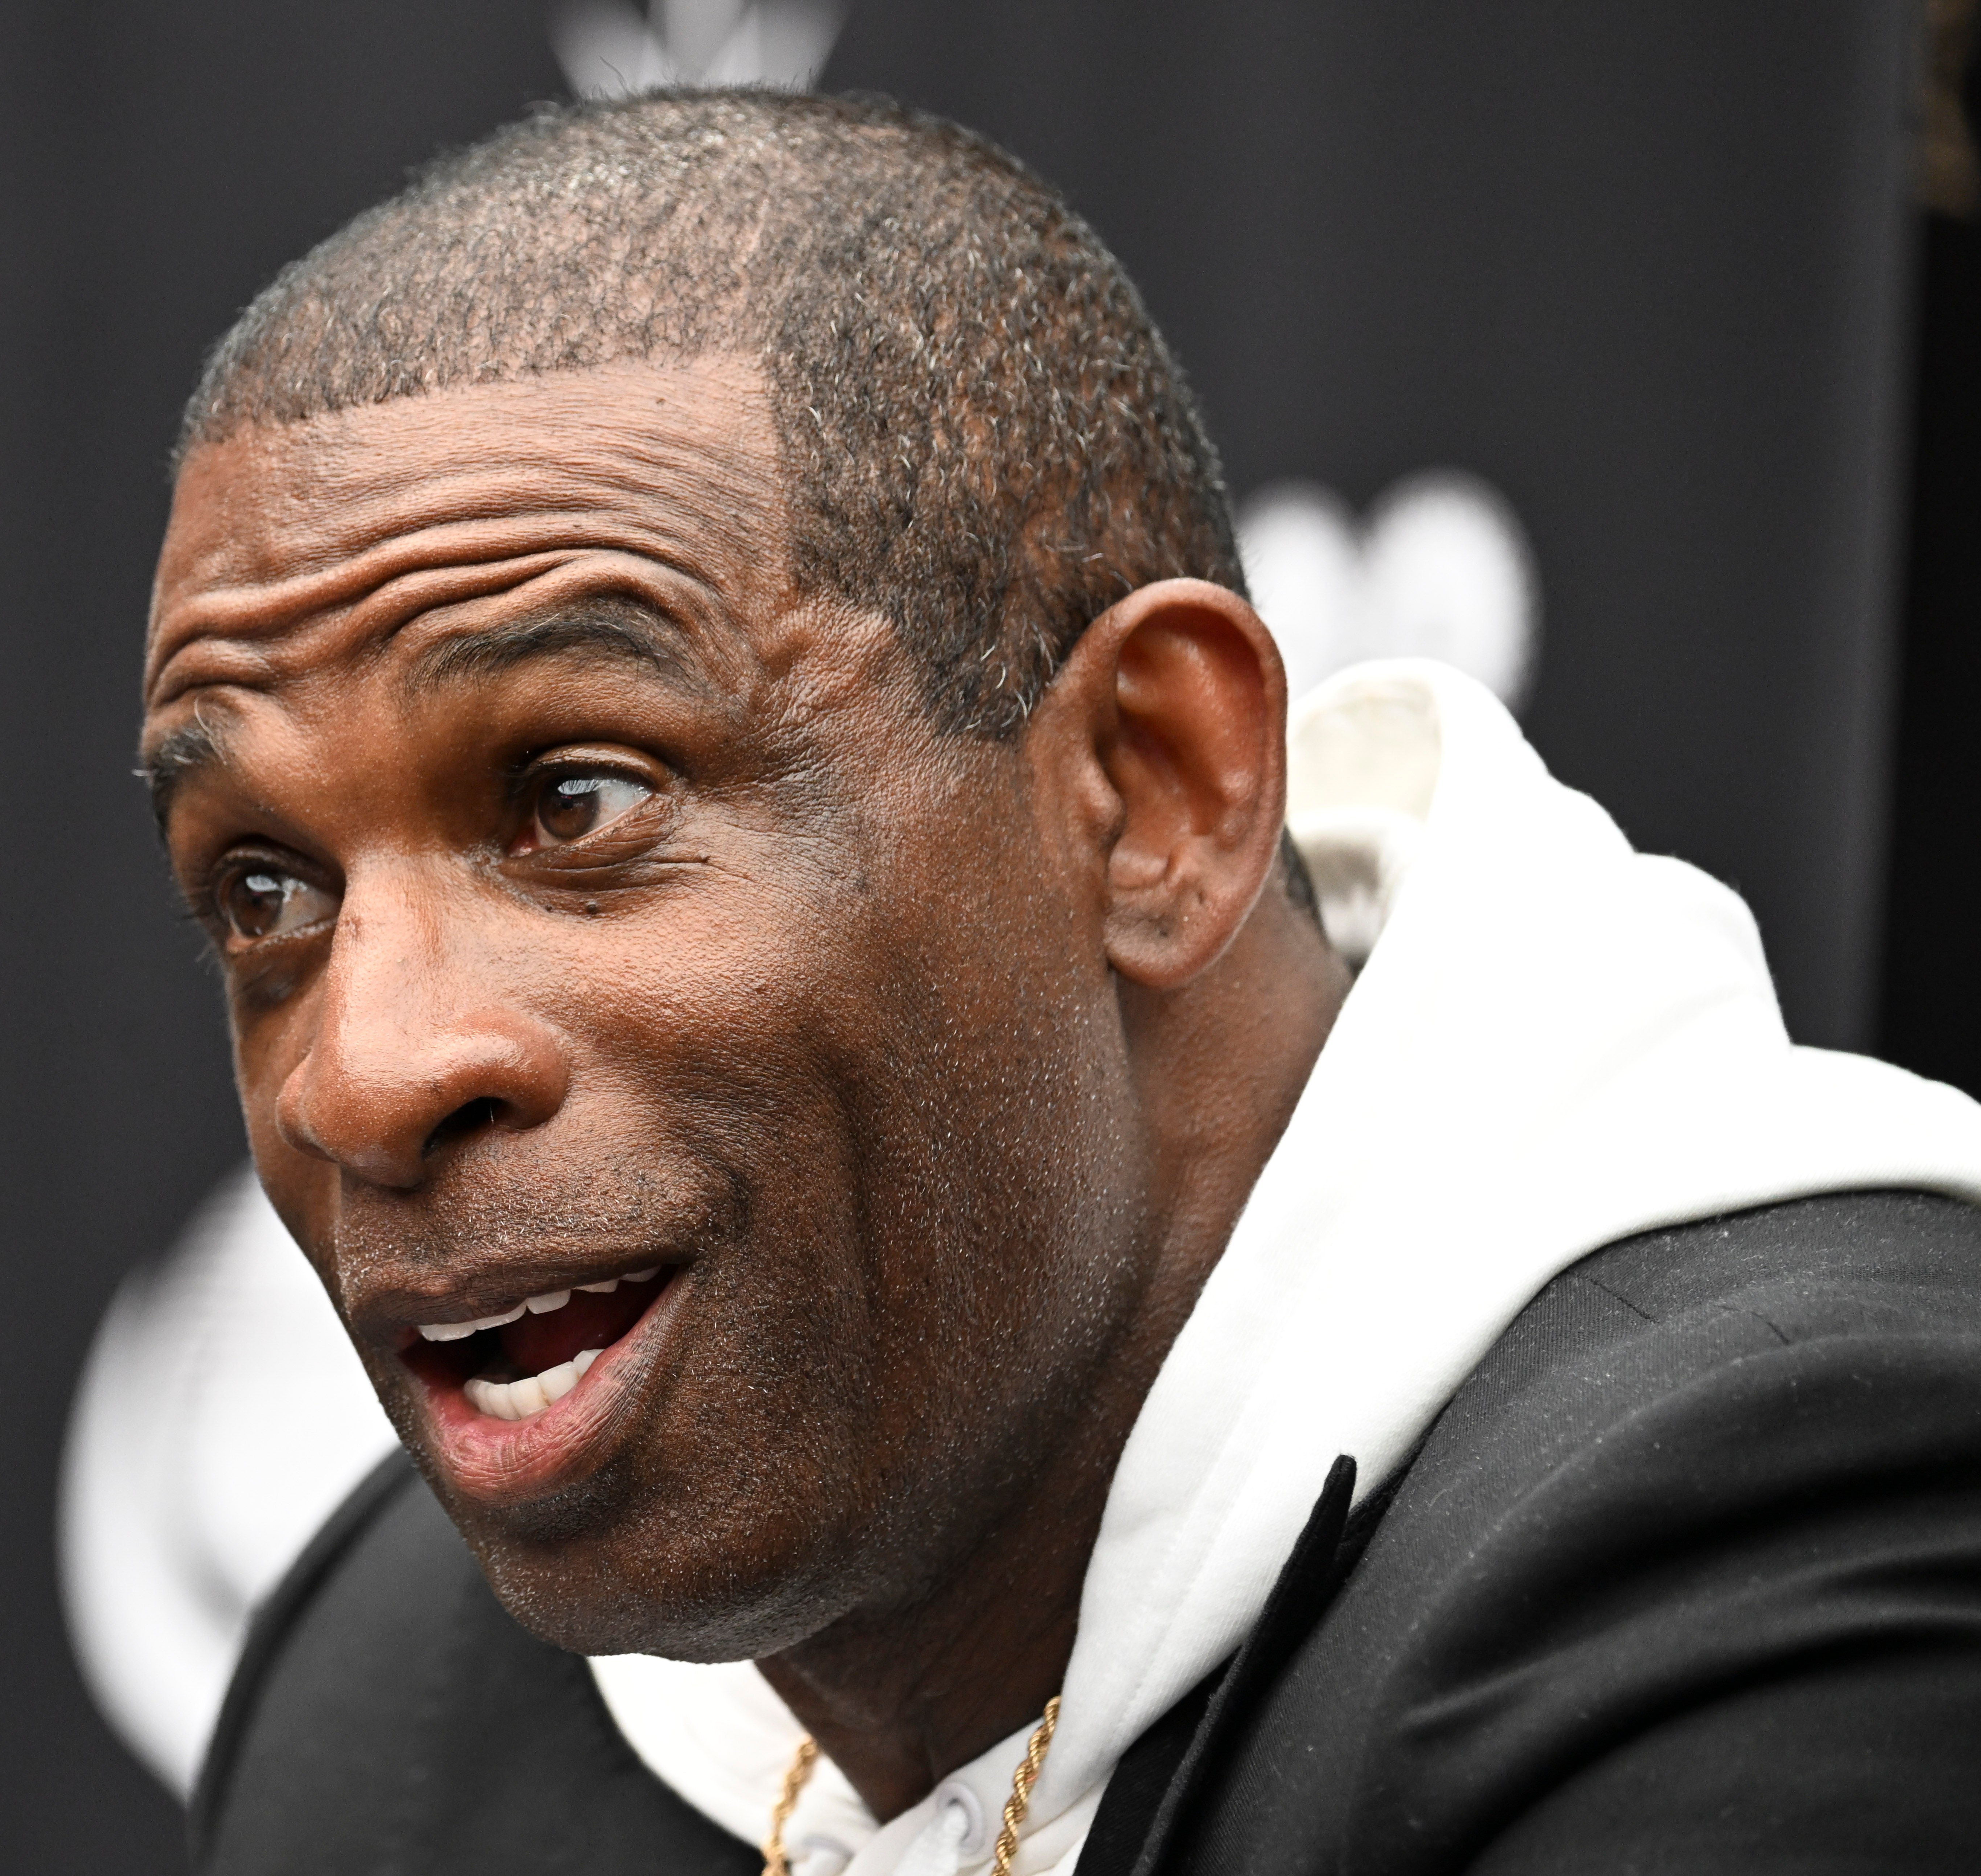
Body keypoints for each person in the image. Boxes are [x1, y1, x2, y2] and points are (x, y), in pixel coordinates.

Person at [126, 89, 1981, 1875]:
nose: (357, 1073)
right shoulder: (386, 1692)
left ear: (1150, 792)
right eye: (266, 887)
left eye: (577, 799)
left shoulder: (1797, 1542)